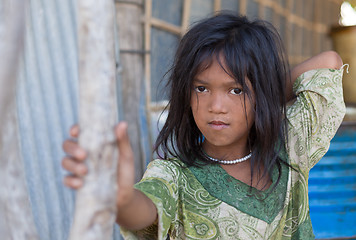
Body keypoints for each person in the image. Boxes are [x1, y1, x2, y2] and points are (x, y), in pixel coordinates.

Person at [62, 13, 346, 239]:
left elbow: (328, 63)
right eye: (201, 88)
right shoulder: (176, 175)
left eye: (235, 90)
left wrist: (265, 99)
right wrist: (121, 199)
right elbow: (145, 208)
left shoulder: (291, 145)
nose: (216, 106)